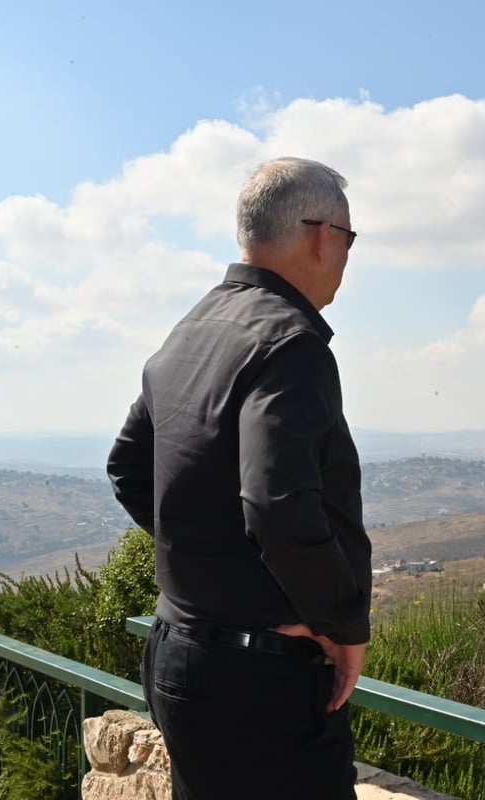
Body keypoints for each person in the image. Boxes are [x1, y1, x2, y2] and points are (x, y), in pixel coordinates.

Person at [107, 157, 371, 799]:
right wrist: (340, 627)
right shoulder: (290, 342)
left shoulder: (192, 330)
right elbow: (279, 505)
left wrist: (217, 564)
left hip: (180, 657)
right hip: (261, 682)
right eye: (349, 239)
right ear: (321, 235)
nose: (346, 256)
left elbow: (127, 468)